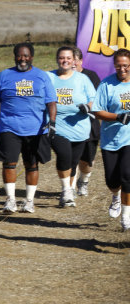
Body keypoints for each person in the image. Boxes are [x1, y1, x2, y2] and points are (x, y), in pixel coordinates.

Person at [0, 42, 57, 214]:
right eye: (19, 55)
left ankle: (29, 201)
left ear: (32, 57)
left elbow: (51, 102)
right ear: (14, 56)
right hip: (9, 127)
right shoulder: (4, 75)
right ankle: (10, 200)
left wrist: (52, 123)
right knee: (9, 163)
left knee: (31, 164)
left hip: (36, 129)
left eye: (26, 56)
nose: (22, 59)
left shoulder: (42, 76)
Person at [47, 46, 96, 207]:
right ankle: (66, 190)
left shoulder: (82, 79)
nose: (65, 61)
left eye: (68, 58)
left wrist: (88, 107)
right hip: (56, 126)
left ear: (73, 60)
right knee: (64, 156)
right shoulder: (49, 77)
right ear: (57, 59)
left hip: (80, 128)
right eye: (62, 58)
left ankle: (69, 190)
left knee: (73, 162)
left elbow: (93, 98)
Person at [91, 48, 130, 231]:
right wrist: (117, 117)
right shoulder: (107, 84)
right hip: (110, 140)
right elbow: (97, 111)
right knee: (112, 180)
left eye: (126, 66)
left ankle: (126, 218)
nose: (122, 69)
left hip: (129, 140)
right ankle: (115, 196)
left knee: (127, 175)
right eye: (119, 66)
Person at [72, 47, 101, 196]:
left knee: (86, 162)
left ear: (81, 61)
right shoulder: (61, 77)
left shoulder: (91, 75)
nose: (72, 64)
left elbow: (98, 98)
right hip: (69, 125)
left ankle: (83, 181)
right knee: (69, 158)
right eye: (69, 60)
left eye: (75, 60)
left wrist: (88, 106)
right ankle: (69, 189)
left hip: (90, 125)